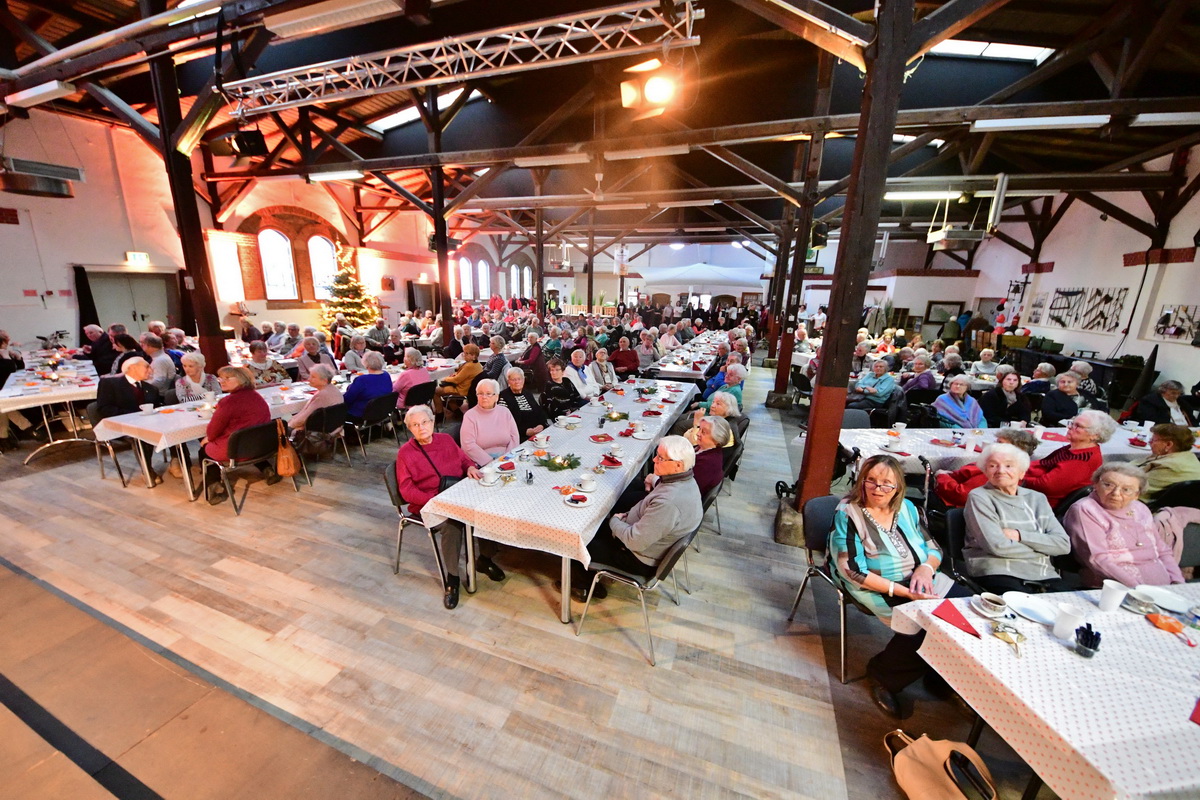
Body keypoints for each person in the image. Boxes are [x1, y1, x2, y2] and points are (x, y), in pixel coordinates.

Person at [829, 454, 966, 719]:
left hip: (923, 580)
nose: (878, 489)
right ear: (862, 481)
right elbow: (853, 571)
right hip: (878, 587)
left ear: (898, 487)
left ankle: (939, 676)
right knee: (927, 627)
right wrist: (904, 592)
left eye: (886, 484)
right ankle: (883, 675)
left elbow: (933, 547)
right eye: (871, 481)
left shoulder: (908, 508)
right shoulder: (848, 513)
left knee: (967, 613)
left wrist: (926, 569)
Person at [567, 436, 702, 602]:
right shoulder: (686, 481)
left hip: (639, 558)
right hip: (642, 538)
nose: (654, 460)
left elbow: (634, 541)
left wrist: (615, 521)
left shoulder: (669, 503)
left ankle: (582, 587)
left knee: (575, 541)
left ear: (678, 465)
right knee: (594, 525)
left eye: (660, 458)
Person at [395, 405, 501, 610]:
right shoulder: (405, 453)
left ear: (432, 422)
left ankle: (484, 559)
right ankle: (452, 578)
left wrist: (470, 466)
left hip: (457, 494)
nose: (421, 427)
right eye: (415, 425)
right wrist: (433, 499)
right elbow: (406, 490)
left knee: (487, 510)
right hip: (429, 503)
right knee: (452, 525)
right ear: (410, 429)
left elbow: (463, 459)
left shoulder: (445, 440)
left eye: (424, 422)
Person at [963, 443, 1072, 594]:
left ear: (1022, 473)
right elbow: (996, 546)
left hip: (1043, 572)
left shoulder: (1037, 498)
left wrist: (1019, 535)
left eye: (1009, 466)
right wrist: (1044, 549)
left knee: (1070, 607)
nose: (1001, 471)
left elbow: (1063, 545)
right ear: (986, 471)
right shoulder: (979, 497)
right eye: (993, 465)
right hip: (996, 570)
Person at [1064, 463, 1185, 588]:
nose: (1116, 493)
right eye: (1108, 485)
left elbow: (1163, 551)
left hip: (1162, 587)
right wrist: (1138, 588)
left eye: (1126, 489)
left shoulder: (1140, 508)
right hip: (1115, 589)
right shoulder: (1085, 509)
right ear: (1095, 484)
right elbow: (1097, 559)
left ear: (1137, 495)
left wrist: (1178, 582)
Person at [196, 366, 274, 504]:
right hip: (262, 446)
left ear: (241, 380)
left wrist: (207, 440)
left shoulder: (228, 402)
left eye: (227, 378)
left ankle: (214, 486)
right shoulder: (257, 396)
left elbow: (212, 432)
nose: (222, 381)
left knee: (204, 450)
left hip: (237, 450)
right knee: (248, 436)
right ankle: (267, 469)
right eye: (221, 378)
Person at [1024, 409, 1112, 508]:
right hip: (1032, 489)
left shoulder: (1082, 460)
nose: (1069, 427)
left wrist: (1019, 476)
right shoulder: (1075, 448)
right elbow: (1044, 463)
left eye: (1077, 426)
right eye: (1072, 423)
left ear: (1094, 435)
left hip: (1039, 502)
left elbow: (1047, 486)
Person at [934, 428, 1039, 509]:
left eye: (1000, 443)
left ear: (1017, 450)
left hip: (953, 504)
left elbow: (962, 495)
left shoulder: (999, 472)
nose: (994, 446)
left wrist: (942, 476)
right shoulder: (1009, 465)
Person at [96, 357, 162, 478]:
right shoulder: (110, 384)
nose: (150, 370)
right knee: (143, 435)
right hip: (119, 424)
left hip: (147, 424)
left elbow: (157, 408)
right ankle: (147, 470)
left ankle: (178, 462)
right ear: (132, 367)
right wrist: (134, 417)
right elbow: (104, 408)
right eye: (146, 367)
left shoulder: (151, 389)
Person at [460, 379, 520, 466]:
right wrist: (491, 463)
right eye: (480, 393)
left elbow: (514, 437)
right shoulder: (470, 416)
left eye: (488, 393)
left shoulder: (505, 412)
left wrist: (508, 458)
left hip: (507, 458)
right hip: (481, 462)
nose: (484, 397)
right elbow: (468, 445)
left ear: (496, 397)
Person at [1137, 423, 1200, 501]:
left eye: (1153, 440)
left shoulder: (1170, 466)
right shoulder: (1188, 456)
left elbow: (1133, 487)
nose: (1149, 442)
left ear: (1168, 444)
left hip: (1151, 506)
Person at [288, 364, 343, 437]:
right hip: (333, 426)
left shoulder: (323, 395)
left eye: (313, 377)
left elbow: (303, 419)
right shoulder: (333, 389)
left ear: (324, 381)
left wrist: (289, 425)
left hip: (320, 431)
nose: (309, 379)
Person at [342, 351, 392, 426]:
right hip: (382, 411)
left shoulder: (362, 380)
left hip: (362, 414)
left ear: (366, 364)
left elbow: (347, 399)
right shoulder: (386, 375)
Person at [498, 368, 549, 442]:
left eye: (519, 379)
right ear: (508, 381)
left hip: (537, 434)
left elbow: (539, 412)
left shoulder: (527, 394)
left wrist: (541, 425)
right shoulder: (503, 397)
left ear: (523, 380)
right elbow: (504, 424)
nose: (517, 382)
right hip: (519, 437)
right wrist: (525, 431)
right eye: (513, 379)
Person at [434, 343, 482, 414]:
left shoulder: (469, 366)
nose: (463, 355)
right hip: (467, 387)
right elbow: (461, 375)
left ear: (473, 356)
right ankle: (457, 412)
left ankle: (439, 414)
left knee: (435, 391)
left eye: (466, 353)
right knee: (445, 390)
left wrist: (444, 378)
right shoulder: (477, 364)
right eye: (464, 352)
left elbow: (456, 380)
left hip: (461, 389)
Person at [693, 416, 732, 496]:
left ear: (717, 438)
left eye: (703, 432)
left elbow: (690, 488)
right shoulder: (703, 448)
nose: (698, 433)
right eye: (699, 429)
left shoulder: (707, 463)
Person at [1132, 380, 1196, 427]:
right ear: (1163, 391)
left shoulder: (1182, 403)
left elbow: (1192, 419)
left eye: (1179, 393)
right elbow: (1151, 419)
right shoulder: (1150, 401)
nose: (1176, 396)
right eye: (1173, 393)